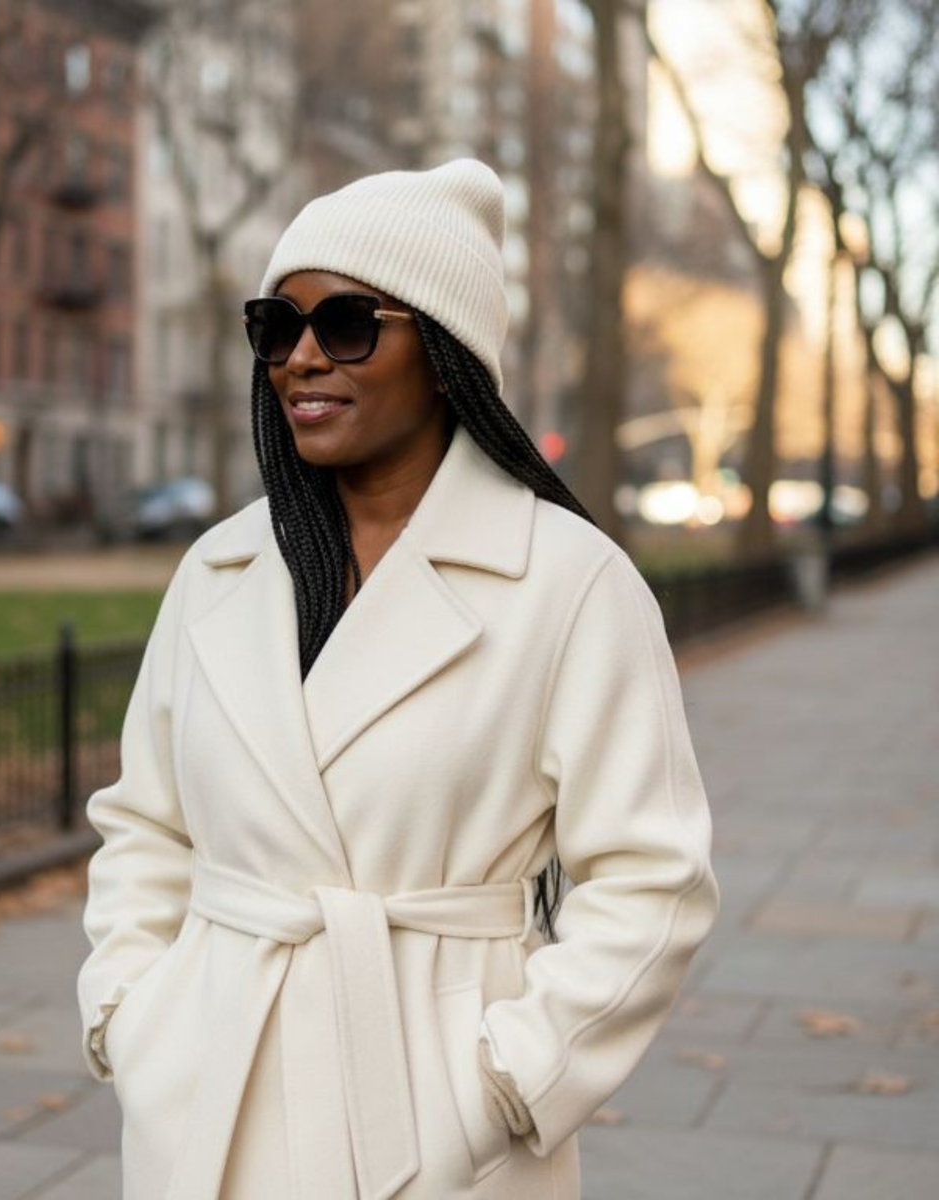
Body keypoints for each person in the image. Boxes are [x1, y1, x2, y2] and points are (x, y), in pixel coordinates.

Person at [77, 159, 720, 1200]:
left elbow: (654, 879)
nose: (300, 359)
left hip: (437, 1122)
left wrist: (508, 1081)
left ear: (445, 352)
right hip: (208, 1102)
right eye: (275, 329)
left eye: (346, 325)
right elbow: (147, 824)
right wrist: (129, 1011)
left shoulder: (569, 582)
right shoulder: (218, 572)